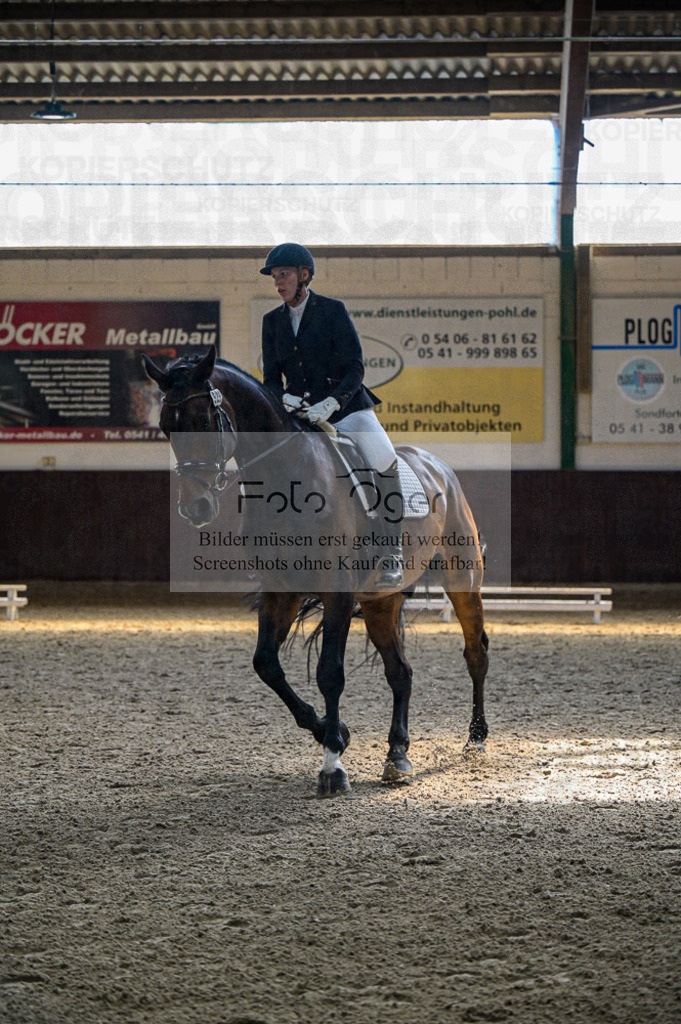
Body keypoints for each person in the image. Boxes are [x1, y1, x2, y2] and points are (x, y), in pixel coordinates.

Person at [259, 242, 404, 588]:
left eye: (284, 275)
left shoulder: (332, 311)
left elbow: (355, 368)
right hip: (300, 416)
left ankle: (391, 552)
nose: (278, 283)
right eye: (275, 277)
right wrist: (285, 399)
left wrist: (334, 402)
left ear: (304, 275)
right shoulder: (271, 322)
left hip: (347, 408)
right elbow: (269, 380)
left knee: (384, 459)